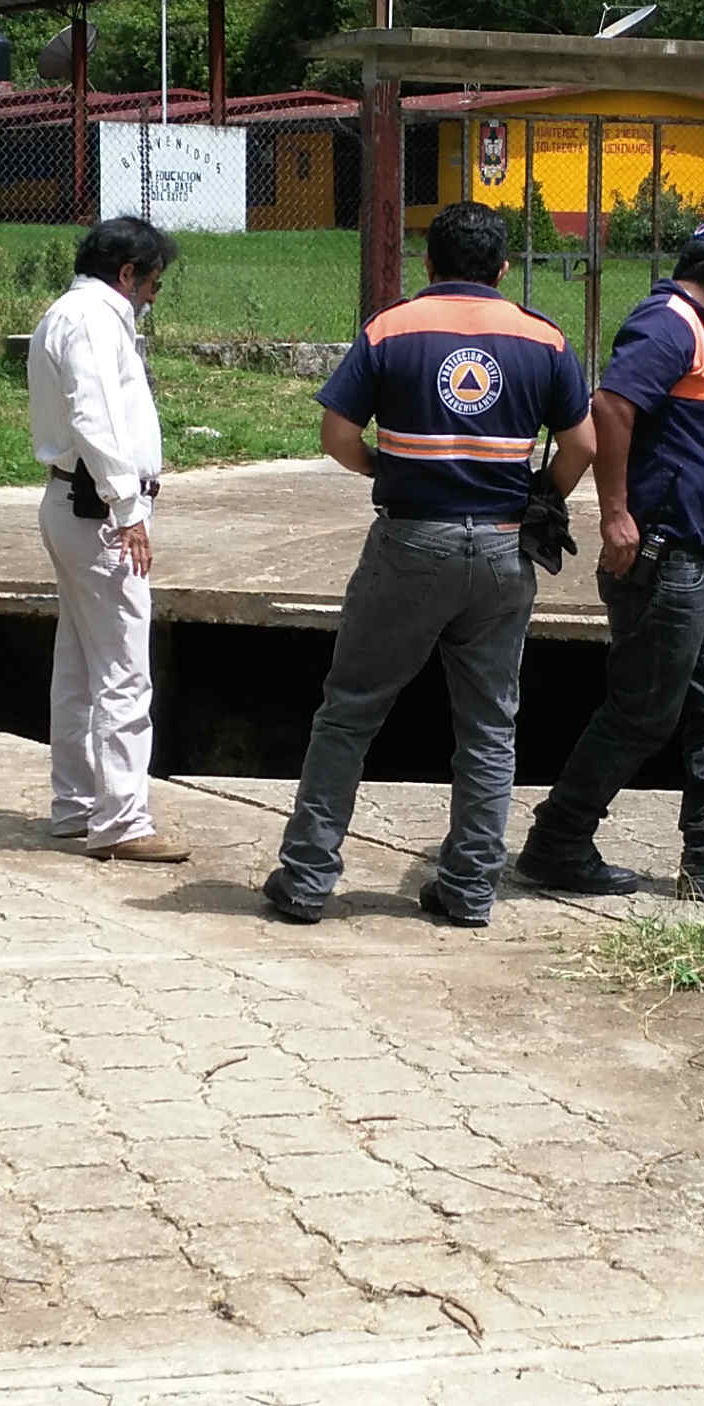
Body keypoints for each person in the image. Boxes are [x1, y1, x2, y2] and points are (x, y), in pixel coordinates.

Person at [262, 202, 594, 928]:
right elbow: (583, 444)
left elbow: (335, 433)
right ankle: (470, 887)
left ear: (429, 264)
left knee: (349, 711)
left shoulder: (391, 328)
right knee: (488, 726)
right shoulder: (545, 339)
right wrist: (543, 495)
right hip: (506, 550)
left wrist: (385, 464)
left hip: (411, 543)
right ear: (504, 269)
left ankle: (307, 878)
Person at [515, 218, 704, 901]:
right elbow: (610, 406)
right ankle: (558, 840)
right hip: (666, 562)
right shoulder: (669, 322)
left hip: (701, 566)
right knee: (642, 711)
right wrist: (615, 512)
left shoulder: (700, 333)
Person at [27, 215, 188, 863]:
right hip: (98, 511)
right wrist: (128, 507)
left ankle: (76, 803)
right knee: (124, 669)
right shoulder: (94, 321)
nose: (153, 294)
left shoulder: (67, 313)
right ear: (127, 274)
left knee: (79, 664)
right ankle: (121, 817)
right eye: (153, 282)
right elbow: (95, 417)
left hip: (74, 502)